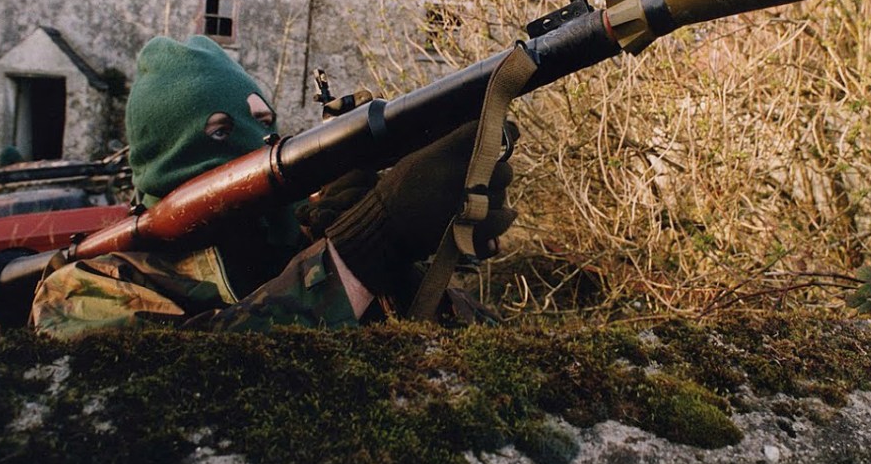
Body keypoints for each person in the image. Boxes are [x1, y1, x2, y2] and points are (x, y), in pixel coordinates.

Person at [30, 35, 516, 338]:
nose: (254, 138)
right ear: (166, 156)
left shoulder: (298, 245)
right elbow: (193, 387)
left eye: (263, 119)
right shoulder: (87, 286)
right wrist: (367, 247)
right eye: (220, 130)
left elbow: (482, 345)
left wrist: (398, 259)